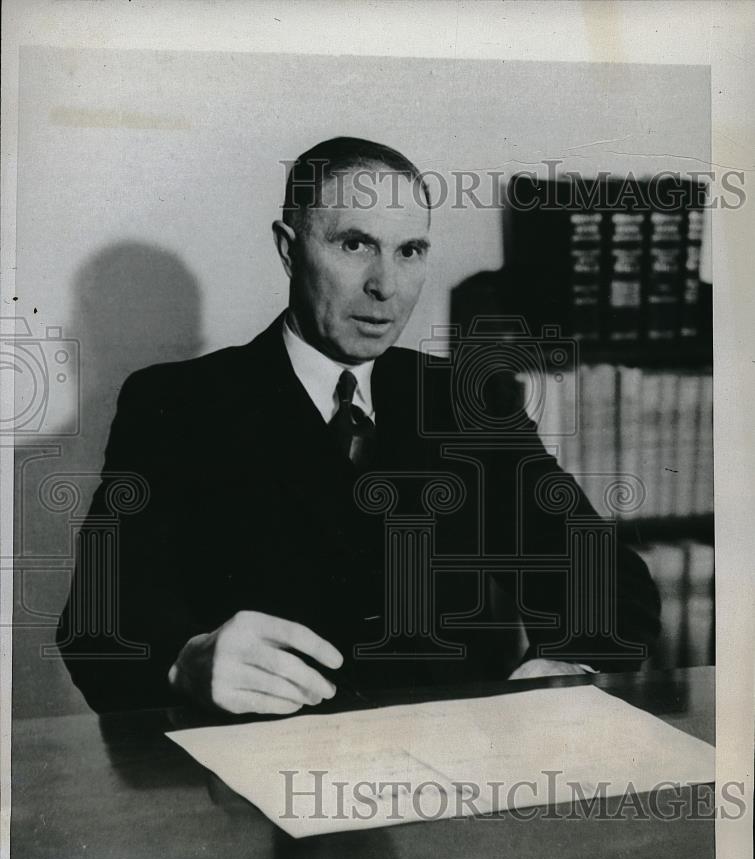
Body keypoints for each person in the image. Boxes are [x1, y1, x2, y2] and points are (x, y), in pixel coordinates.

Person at [57, 136, 661, 714]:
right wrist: (180, 663)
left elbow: (612, 583)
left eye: (410, 251)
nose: (385, 286)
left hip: (445, 784)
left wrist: (566, 664)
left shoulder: (466, 400)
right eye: (354, 245)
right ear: (289, 249)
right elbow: (97, 625)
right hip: (254, 788)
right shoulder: (176, 405)